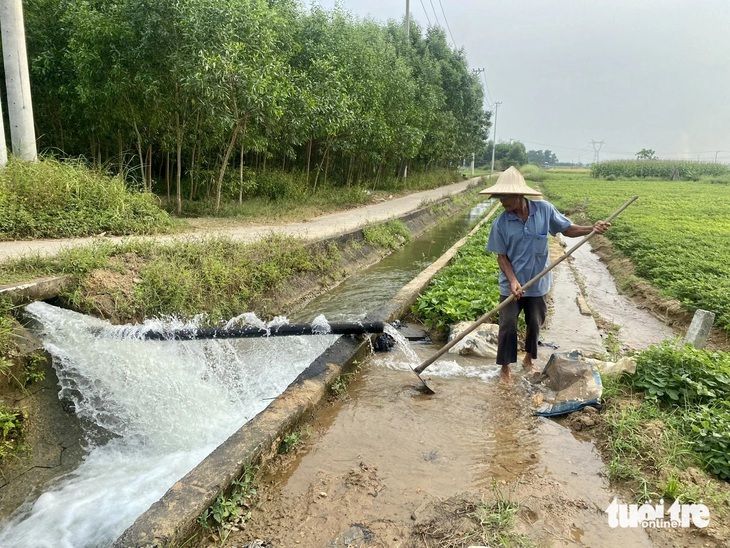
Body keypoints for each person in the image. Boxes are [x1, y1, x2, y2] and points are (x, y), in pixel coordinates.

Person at [481, 167, 610, 380]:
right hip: (511, 284)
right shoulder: (501, 223)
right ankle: (505, 368)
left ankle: (529, 360)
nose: (501, 201)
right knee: (508, 324)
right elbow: (501, 257)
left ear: (519, 195)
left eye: (505, 196)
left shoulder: (544, 210)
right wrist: (513, 281)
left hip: (538, 282)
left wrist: (591, 229)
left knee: (535, 322)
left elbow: (567, 229)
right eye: (499, 196)